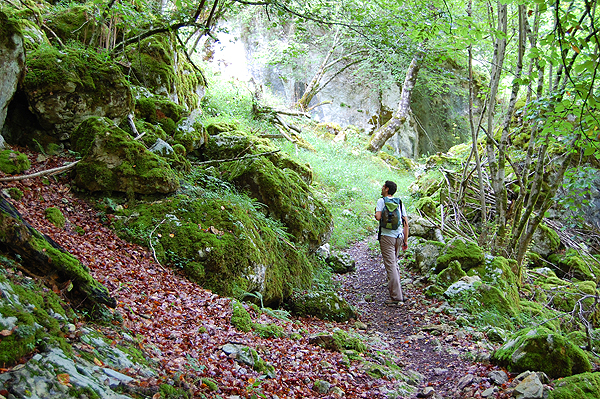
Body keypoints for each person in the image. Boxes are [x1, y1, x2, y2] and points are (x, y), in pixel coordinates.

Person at [374, 180, 409, 306]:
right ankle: (398, 292)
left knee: (391, 265)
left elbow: (378, 217)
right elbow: (406, 223)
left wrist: (377, 213)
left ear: (387, 189)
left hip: (387, 237)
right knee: (394, 263)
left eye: (383, 186)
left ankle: (396, 297)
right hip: (399, 236)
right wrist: (405, 240)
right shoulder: (399, 202)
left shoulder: (381, 201)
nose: (382, 188)